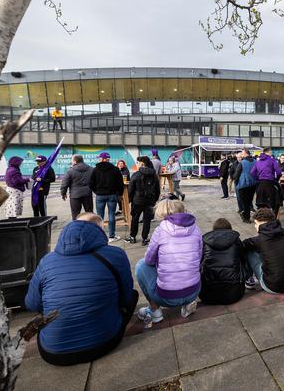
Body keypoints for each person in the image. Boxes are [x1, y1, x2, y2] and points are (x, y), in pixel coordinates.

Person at [25, 213, 138, 366]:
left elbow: (31, 304)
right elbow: (126, 296)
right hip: (105, 342)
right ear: (99, 230)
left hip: (53, 352)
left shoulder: (47, 261)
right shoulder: (115, 255)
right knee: (133, 295)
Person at [134, 199, 202, 323]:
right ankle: (188, 303)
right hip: (194, 290)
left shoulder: (160, 231)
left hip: (167, 297)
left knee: (141, 265)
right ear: (184, 211)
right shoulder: (196, 229)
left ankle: (154, 311)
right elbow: (199, 256)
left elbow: (149, 260)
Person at [243, 208, 284, 293]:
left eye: (256, 223)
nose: (255, 226)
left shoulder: (260, 239)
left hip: (273, 286)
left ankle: (249, 280)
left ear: (261, 222)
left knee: (249, 251)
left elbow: (243, 244)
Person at [199, 218, 249, 305]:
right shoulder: (236, 240)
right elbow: (243, 258)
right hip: (234, 294)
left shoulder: (205, 241)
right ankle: (250, 281)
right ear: (230, 228)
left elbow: (200, 261)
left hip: (207, 296)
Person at [89, 152, 124, 242]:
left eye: (99, 158)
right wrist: (119, 194)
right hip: (112, 195)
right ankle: (111, 236)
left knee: (99, 216)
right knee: (111, 214)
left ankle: (100, 235)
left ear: (103, 159)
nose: (98, 159)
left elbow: (91, 184)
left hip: (100, 195)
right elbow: (120, 184)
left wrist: (96, 191)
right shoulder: (115, 169)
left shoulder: (95, 170)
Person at [126, 156, 160, 245]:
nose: (137, 164)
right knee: (147, 220)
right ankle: (145, 239)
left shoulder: (136, 174)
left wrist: (129, 200)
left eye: (138, 163)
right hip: (150, 201)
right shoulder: (154, 175)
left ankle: (132, 237)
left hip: (137, 201)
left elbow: (130, 190)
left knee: (135, 218)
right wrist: (155, 199)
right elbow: (157, 189)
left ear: (142, 164)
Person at [61, 154, 94, 220]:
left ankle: (76, 228)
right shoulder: (91, 169)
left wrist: (63, 193)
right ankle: (90, 227)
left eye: (72, 160)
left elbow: (65, 183)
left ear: (75, 161)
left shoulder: (70, 171)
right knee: (89, 213)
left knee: (75, 214)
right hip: (87, 194)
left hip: (75, 195)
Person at [251, 147, 282, 214]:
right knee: (272, 202)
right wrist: (276, 179)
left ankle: (262, 218)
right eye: (271, 152)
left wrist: (258, 179)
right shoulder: (272, 160)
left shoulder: (258, 161)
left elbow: (252, 172)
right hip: (269, 184)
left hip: (260, 184)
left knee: (261, 203)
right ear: (269, 152)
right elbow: (279, 172)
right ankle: (272, 218)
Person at [235, 149, 257, 223]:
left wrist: (236, 183)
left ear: (245, 154)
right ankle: (245, 215)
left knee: (244, 202)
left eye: (242, 153)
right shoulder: (255, 162)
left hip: (243, 185)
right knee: (249, 201)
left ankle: (246, 217)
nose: (241, 155)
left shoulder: (242, 163)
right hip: (253, 184)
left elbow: (236, 175)